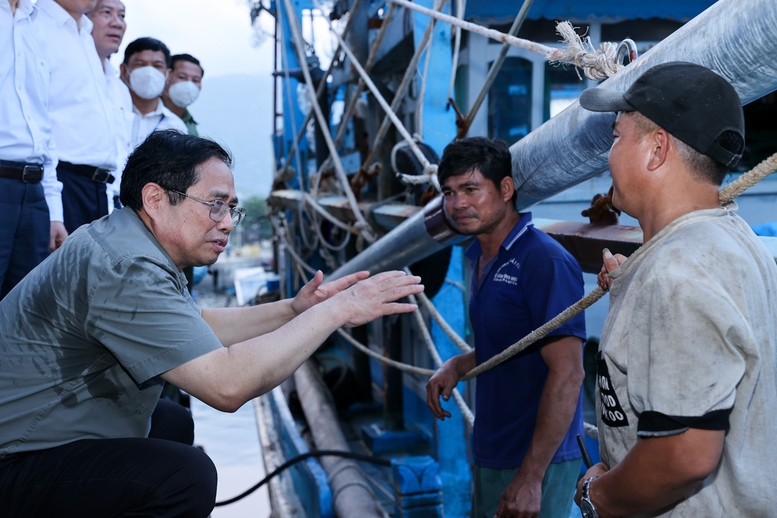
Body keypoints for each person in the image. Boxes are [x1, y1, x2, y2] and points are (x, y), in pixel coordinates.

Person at [0, 130, 424, 517]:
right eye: (215, 204)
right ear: (155, 199)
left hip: (37, 433)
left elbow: (192, 327)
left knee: (172, 421)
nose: (226, 223)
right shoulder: (126, 265)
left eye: (232, 210)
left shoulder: (124, 239)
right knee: (184, 477)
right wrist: (335, 312)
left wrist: (295, 310)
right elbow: (226, 386)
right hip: (13, 457)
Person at [574, 61, 777, 517]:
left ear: (656, 149)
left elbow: (682, 458)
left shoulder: (676, 275)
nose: (610, 154)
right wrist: (635, 280)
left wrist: (597, 498)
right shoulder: (733, 242)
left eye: (616, 136)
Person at [426, 137, 587, 518]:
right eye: (449, 192)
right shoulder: (479, 256)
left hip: (535, 460)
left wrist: (531, 477)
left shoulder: (543, 260)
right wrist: (459, 365)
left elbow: (569, 373)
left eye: (470, 189)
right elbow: (514, 343)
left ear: (506, 189)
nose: (457, 204)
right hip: (493, 450)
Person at [0, 0, 68, 300]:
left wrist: (53, 210)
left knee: (24, 311)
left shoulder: (36, 24)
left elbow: (42, 121)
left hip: (34, 192)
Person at [36, 0, 121, 234]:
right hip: (62, 180)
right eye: (107, 12)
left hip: (98, 186)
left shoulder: (84, 32)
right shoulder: (35, 24)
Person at [87, 0, 132, 212]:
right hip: (76, 189)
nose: (117, 23)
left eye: (122, 16)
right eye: (106, 13)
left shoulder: (119, 88)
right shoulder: (68, 73)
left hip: (114, 202)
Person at [120, 37, 188, 148]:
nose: (149, 73)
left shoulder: (176, 127)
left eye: (157, 66)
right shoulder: (110, 112)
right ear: (124, 70)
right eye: (141, 64)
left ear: (168, 75)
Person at [162, 53, 204, 137]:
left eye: (195, 80)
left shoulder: (190, 122)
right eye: (182, 77)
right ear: (167, 76)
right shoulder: (148, 114)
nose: (189, 85)